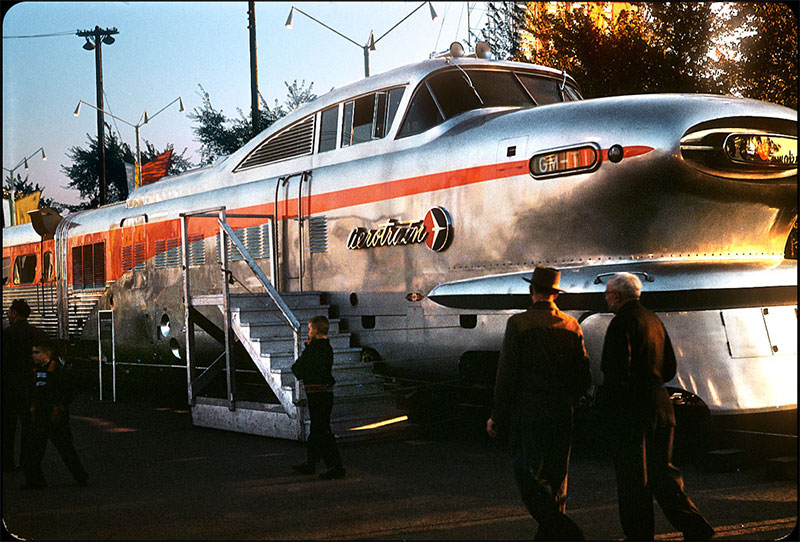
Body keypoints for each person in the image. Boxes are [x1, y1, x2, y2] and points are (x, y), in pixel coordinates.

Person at [600, 273, 714, 541]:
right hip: (661, 409)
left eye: (607, 294)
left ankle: (640, 536)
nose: (606, 299)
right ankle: (696, 527)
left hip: (632, 414)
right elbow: (670, 368)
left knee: (632, 482)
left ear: (616, 296)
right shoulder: (654, 320)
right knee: (664, 475)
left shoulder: (620, 324)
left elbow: (614, 373)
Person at [487, 266, 591, 540]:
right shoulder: (572, 325)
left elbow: (506, 375)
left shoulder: (518, 324)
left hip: (528, 414)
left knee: (528, 477)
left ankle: (568, 534)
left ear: (531, 291)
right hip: (562, 414)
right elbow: (583, 377)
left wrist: (497, 416)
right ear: (555, 295)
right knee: (557, 481)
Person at [20, 337, 89, 489]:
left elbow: (65, 391)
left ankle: (37, 481)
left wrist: (57, 406)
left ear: (47, 354)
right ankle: (79, 476)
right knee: (56, 448)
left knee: (53, 448)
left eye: (37, 352)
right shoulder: (43, 369)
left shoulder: (53, 371)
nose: (34, 355)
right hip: (46, 414)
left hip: (51, 415)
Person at [291, 315, 345, 480]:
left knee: (321, 430)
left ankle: (335, 466)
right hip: (324, 394)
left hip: (317, 394)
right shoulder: (326, 348)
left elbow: (297, 369)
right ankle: (311, 462)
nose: (308, 332)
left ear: (314, 330)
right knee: (317, 429)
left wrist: (307, 347)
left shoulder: (314, 349)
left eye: (309, 329)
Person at [2, 299, 47, 472]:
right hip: (31, 388)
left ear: (14, 313)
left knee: (7, 429)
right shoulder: (37, 333)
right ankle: (26, 462)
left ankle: (7, 463)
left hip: (9, 390)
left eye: (8, 311)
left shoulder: (6, 334)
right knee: (29, 428)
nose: (7, 314)